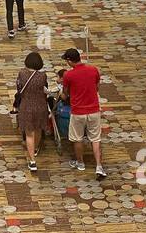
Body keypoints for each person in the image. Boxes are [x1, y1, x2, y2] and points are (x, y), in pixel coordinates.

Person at [60, 48, 105, 178]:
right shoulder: (94, 70)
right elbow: (96, 87)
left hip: (78, 111)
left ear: (69, 60)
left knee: (77, 138)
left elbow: (65, 93)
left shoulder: (68, 75)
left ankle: (80, 162)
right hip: (94, 110)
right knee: (95, 139)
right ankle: (99, 166)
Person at [14, 51, 49, 173]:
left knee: (29, 133)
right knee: (38, 128)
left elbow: (18, 88)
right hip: (40, 106)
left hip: (27, 106)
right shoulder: (43, 76)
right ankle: (35, 149)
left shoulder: (22, 73)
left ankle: (32, 161)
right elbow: (45, 88)